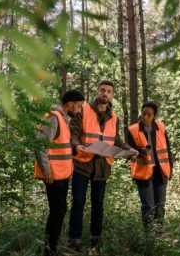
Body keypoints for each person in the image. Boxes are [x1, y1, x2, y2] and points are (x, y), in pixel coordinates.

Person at [68, 80, 138, 254]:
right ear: (97, 92)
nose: (105, 94)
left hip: (102, 166)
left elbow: (115, 139)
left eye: (108, 91)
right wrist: (76, 146)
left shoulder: (114, 116)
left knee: (98, 204)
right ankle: (74, 240)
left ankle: (95, 240)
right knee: (78, 202)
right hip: (82, 164)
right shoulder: (83, 109)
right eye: (102, 90)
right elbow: (73, 134)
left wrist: (129, 149)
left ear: (112, 95)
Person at [34, 90, 85, 256]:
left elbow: (61, 146)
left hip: (62, 174)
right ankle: (49, 250)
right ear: (70, 104)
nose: (78, 110)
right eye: (78, 107)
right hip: (53, 175)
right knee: (58, 211)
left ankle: (52, 248)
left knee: (60, 210)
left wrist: (77, 150)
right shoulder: (54, 117)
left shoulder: (63, 119)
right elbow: (40, 145)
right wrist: (46, 171)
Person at [127, 102, 174, 235]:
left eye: (149, 114)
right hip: (143, 173)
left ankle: (160, 232)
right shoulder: (133, 129)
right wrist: (141, 152)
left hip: (161, 171)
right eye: (143, 114)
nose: (146, 117)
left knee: (160, 204)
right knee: (148, 206)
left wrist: (171, 169)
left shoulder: (161, 127)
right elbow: (128, 150)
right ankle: (149, 235)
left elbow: (168, 150)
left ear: (154, 115)